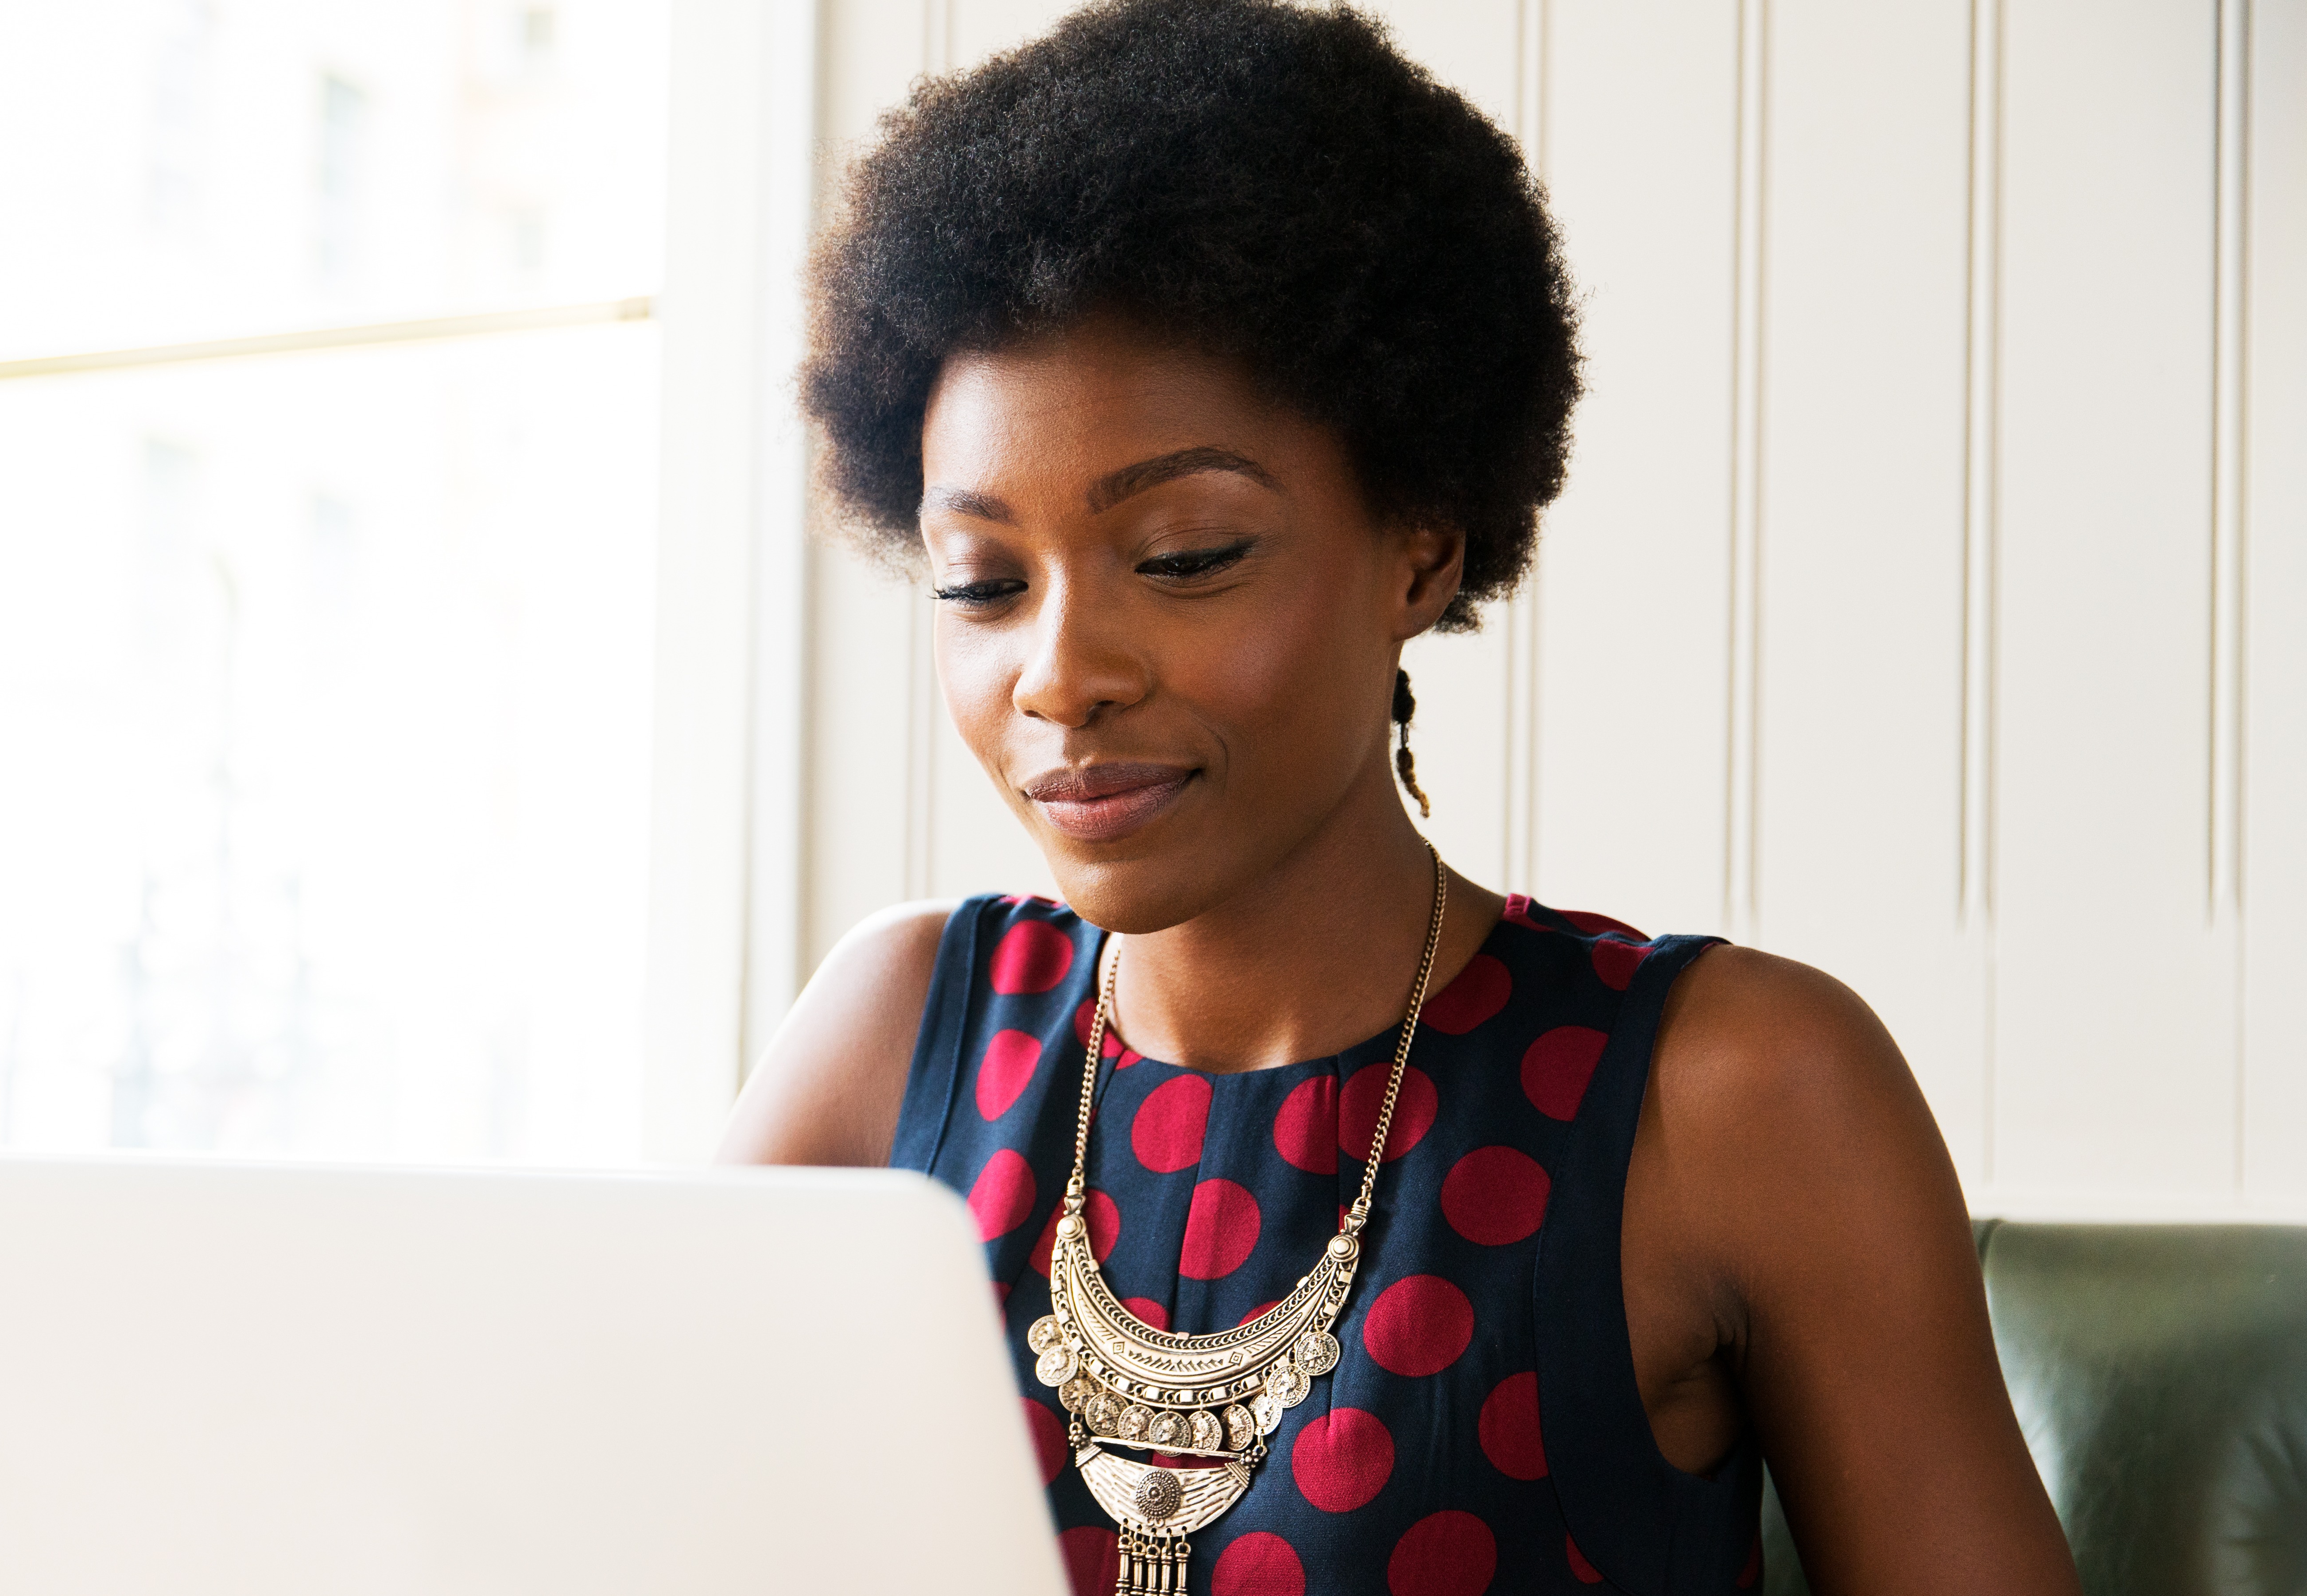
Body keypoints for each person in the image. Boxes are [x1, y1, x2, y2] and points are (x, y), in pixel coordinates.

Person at [717, 3, 2080, 1593]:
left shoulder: (1734, 1097)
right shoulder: (894, 1043)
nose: (1060, 673)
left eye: (1184, 558)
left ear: (1420, 549)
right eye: (983, 581)